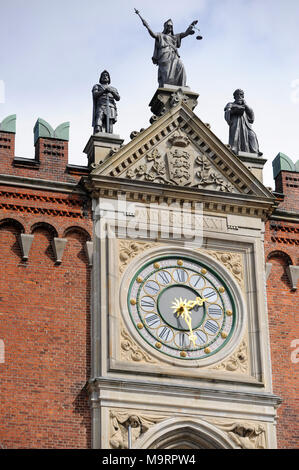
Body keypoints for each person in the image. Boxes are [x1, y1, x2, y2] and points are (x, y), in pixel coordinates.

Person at [140, 18, 196, 88]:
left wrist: (191, 25)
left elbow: (185, 33)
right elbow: (153, 34)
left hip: (174, 55)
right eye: (168, 26)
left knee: (181, 66)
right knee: (167, 72)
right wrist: (147, 26)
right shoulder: (161, 35)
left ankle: (182, 86)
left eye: (171, 26)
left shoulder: (175, 36)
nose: (170, 27)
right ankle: (167, 85)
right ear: (165, 27)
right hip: (164, 54)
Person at [224, 89, 262, 156]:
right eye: (237, 94)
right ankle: (234, 151)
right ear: (234, 96)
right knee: (236, 138)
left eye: (241, 94)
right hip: (236, 124)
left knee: (252, 135)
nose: (239, 96)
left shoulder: (246, 106)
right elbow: (227, 112)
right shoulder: (230, 104)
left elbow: (251, 116)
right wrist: (233, 111)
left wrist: (246, 105)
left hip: (246, 126)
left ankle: (255, 151)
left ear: (243, 96)